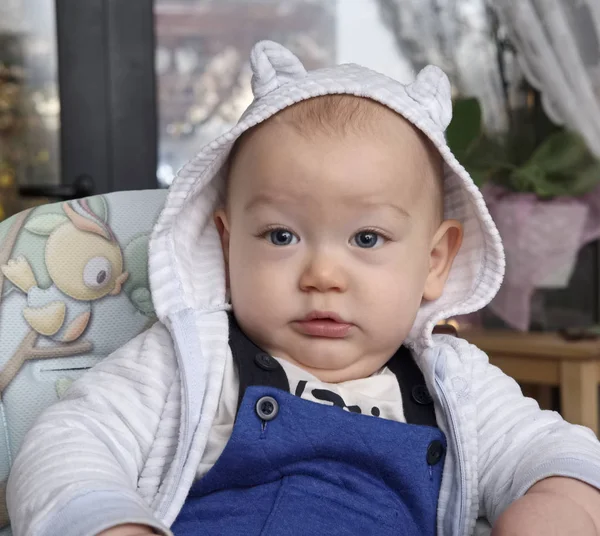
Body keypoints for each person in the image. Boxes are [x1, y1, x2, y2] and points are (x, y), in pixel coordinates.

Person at [7, 41, 600, 536]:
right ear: (227, 243)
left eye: (367, 239)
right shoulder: (193, 359)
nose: (323, 275)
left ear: (434, 260)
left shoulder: (456, 386)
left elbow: (559, 455)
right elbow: (69, 441)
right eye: (281, 235)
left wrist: (559, 505)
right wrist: (111, 523)